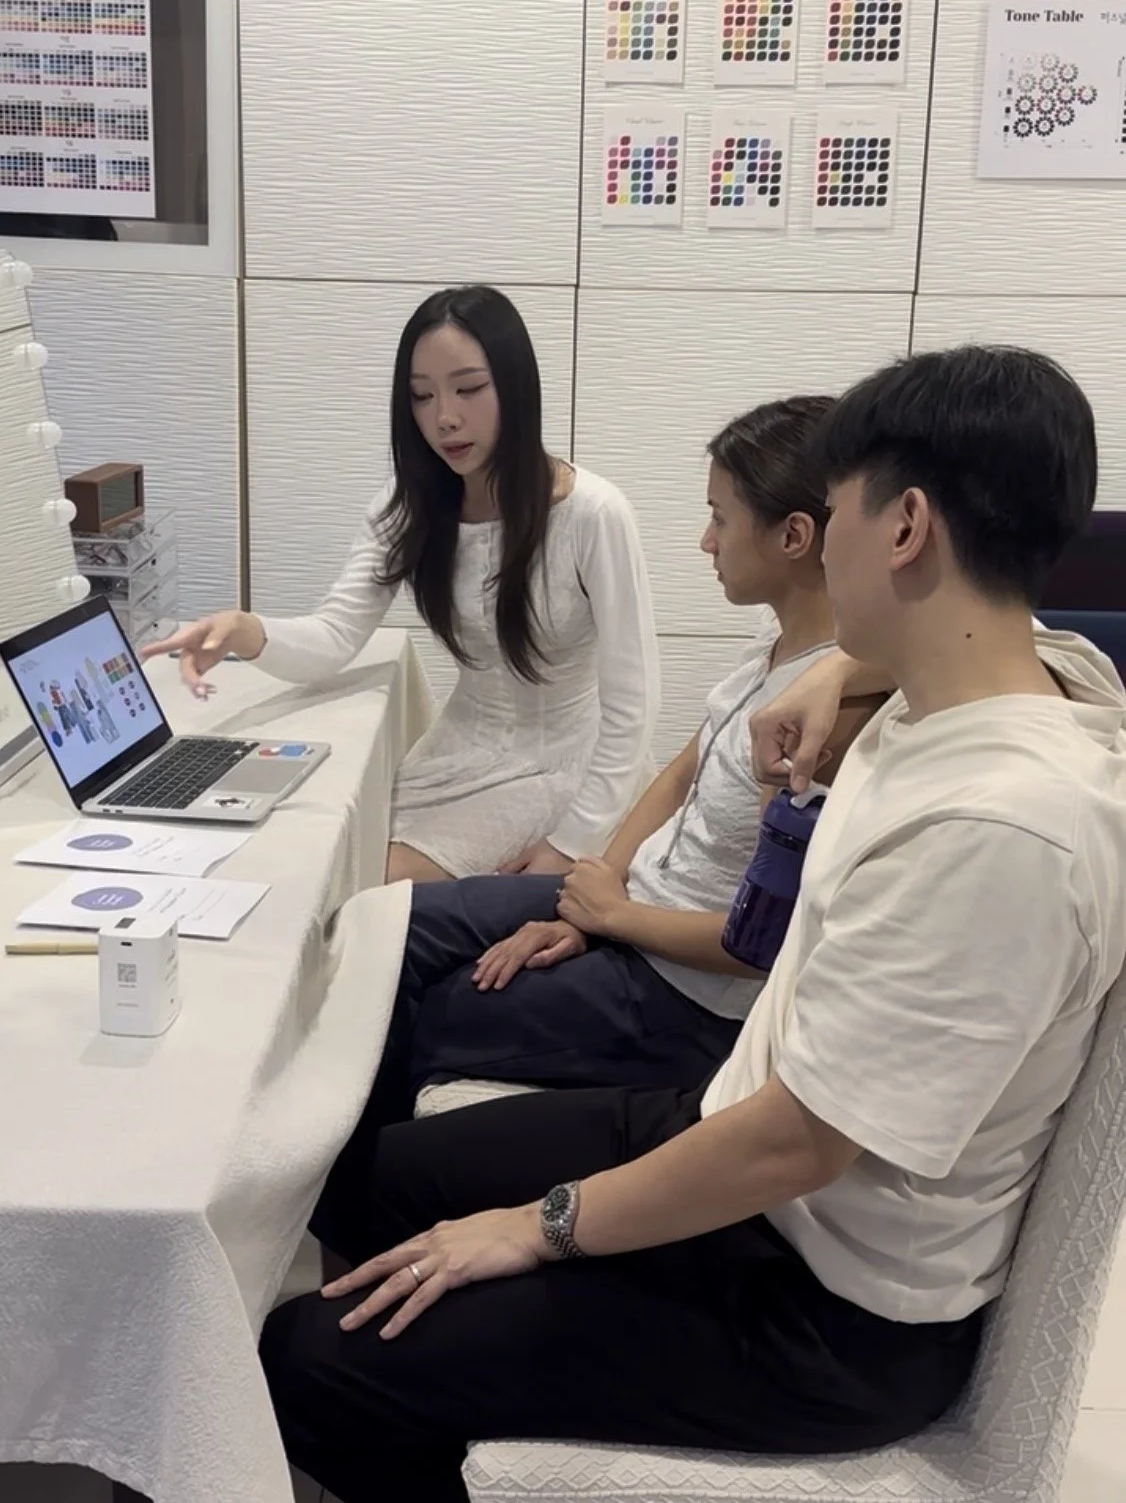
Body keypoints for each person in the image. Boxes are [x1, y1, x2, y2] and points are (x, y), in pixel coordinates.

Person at [260, 345, 1126, 1503]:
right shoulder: (988, 692)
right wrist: (841, 674)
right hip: (739, 1135)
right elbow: (1072, 660)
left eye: (845, 505)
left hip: (824, 1303)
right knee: (354, 1173)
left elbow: (804, 1144)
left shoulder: (1003, 830)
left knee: (309, 1361)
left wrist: (540, 1226)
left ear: (904, 525)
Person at [346, 395, 883, 1134]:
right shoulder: (783, 649)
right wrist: (595, 890)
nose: (704, 541)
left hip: (684, 996)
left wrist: (615, 919)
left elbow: (768, 941)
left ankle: (370, 1198)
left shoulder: (832, 715)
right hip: (635, 907)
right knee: (389, 924)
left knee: (424, 1016)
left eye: (720, 519)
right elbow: (678, 773)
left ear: (793, 535)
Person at [145, 286, 659, 882]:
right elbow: (336, 635)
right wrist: (245, 631)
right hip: (458, 751)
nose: (444, 416)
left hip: (563, 767)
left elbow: (633, 704)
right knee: (319, 853)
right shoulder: (409, 505)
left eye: (469, 389)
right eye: (422, 396)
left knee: (375, 883)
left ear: (515, 386)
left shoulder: (593, 513)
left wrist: (571, 843)